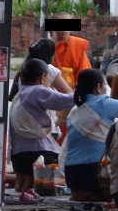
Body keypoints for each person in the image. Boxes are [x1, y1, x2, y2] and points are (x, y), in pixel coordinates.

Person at [63, 69, 118, 202]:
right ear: (99, 88)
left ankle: (84, 193)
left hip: (71, 175)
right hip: (93, 173)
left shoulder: (74, 111)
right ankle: (98, 194)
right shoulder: (102, 103)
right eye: (105, 86)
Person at [9, 59, 76, 196]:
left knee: (23, 182)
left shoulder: (19, 94)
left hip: (18, 157)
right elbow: (65, 100)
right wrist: (83, 94)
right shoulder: (39, 91)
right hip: (37, 154)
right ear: (43, 77)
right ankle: (31, 186)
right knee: (62, 173)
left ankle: (23, 183)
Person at [51, 12, 91, 88]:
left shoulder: (78, 44)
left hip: (73, 89)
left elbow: (84, 72)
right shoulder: (46, 45)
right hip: (51, 89)